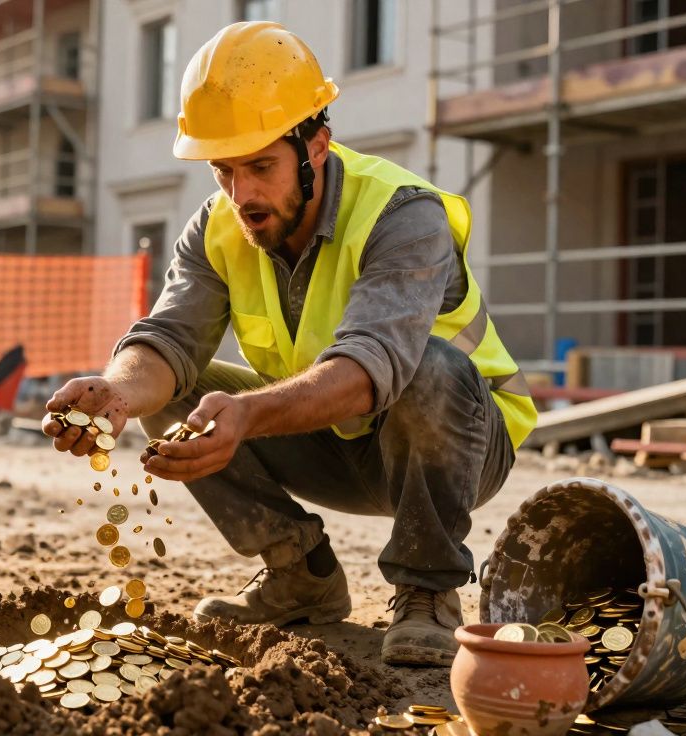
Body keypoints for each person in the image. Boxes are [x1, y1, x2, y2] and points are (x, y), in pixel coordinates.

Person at [42, 21, 536, 666]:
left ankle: (426, 591)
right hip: (333, 438)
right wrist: (118, 392)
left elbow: (372, 368)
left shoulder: (404, 214)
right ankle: (301, 574)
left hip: (459, 446)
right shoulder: (218, 228)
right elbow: (168, 339)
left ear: (318, 145)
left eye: (261, 166)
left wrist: (247, 414)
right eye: (224, 171)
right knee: (177, 394)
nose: (242, 195)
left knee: (428, 369)